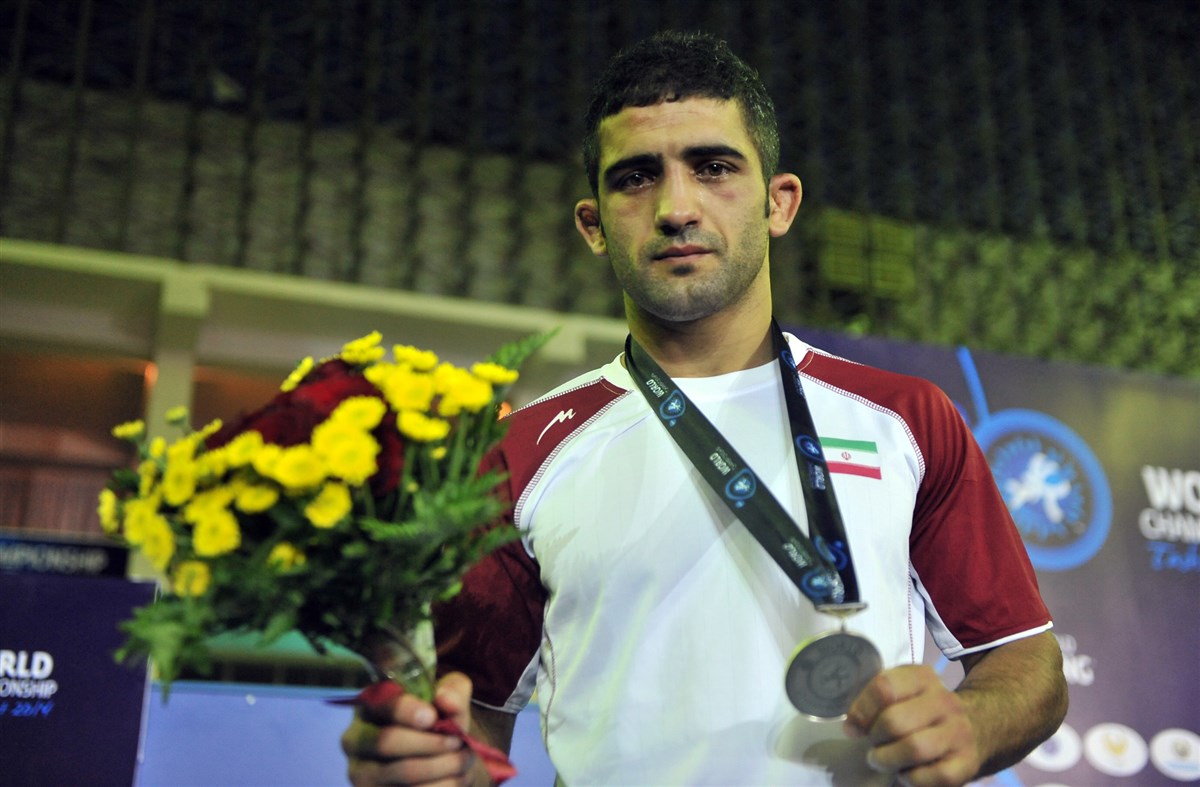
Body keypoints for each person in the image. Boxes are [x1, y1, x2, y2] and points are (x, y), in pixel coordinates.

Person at [342, 30, 1068, 786]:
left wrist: (972, 723)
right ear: (593, 225)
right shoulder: (521, 451)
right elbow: (471, 718)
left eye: (714, 167)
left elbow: (1026, 658)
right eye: (636, 178)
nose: (675, 207)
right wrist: (419, 755)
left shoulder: (907, 418)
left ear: (778, 203)